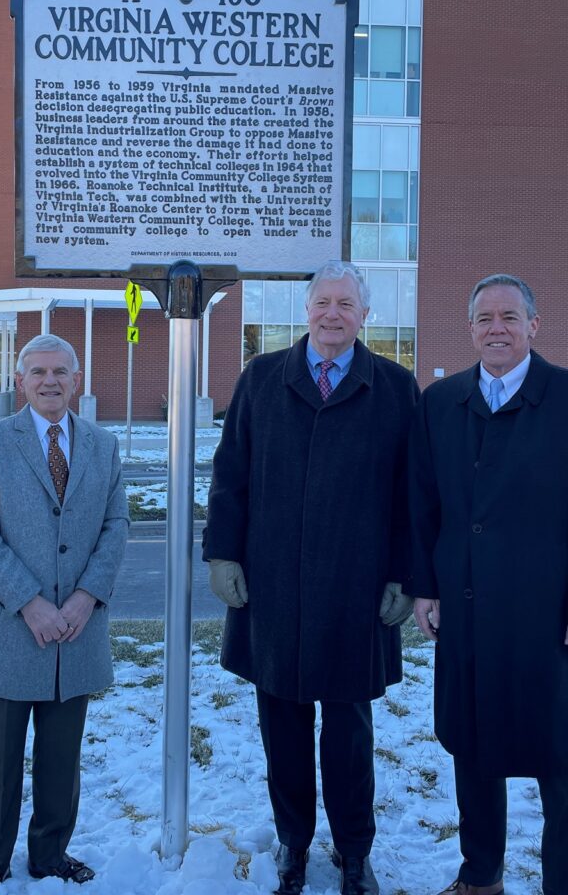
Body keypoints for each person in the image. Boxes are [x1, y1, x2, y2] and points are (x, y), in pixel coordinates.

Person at [204, 260, 419, 895]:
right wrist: (223, 554)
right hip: (274, 590)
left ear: (364, 315)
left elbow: (412, 494)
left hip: (357, 593)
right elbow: (230, 475)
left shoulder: (396, 388)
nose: (333, 314)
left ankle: (355, 852)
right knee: (284, 729)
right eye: (323, 302)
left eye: (345, 305)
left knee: (350, 734)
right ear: (307, 311)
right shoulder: (263, 378)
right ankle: (295, 845)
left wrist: (404, 575)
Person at [408, 274, 568, 895]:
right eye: (483, 318)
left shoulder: (563, 396)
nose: (495, 328)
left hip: (546, 615)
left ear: (534, 325)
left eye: (508, 316)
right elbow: (423, 502)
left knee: (558, 752)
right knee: (472, 747)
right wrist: (425, 585)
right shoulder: (441, 401)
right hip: (466, 609)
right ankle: (480, 876)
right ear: (469, 328)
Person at [0, 334, 128, 895]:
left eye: (61, 372)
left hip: (76, 627)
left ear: (77, 380)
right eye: (38, 372)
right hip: (11, 625)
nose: (50, 382)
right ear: (20, 381)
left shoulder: (103, 445)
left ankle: (51, 854)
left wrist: (84, 598)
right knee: (0, 757)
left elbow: (116, 527)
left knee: (62, 756)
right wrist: (30, 601)